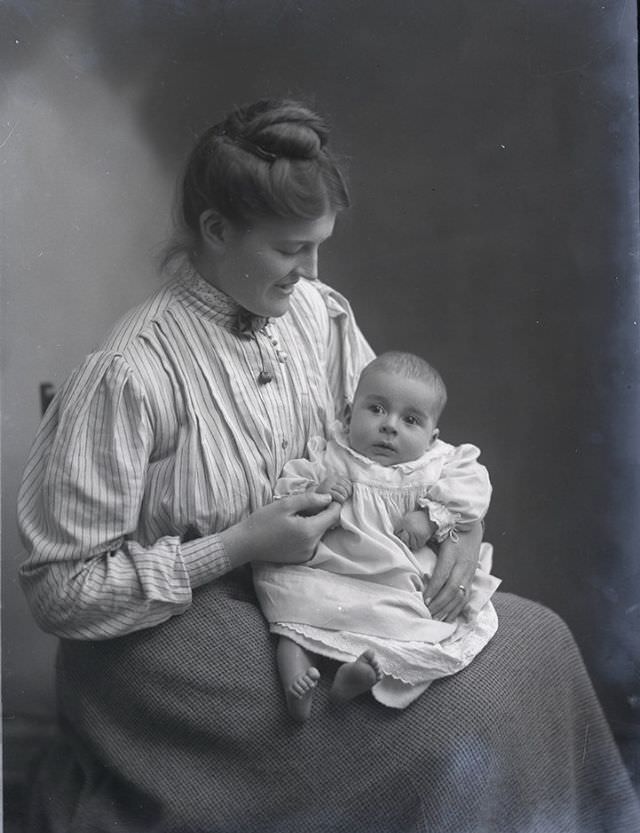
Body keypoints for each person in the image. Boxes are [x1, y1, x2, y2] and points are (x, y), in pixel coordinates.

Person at [17, 98, 640, 833]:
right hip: (171, 641)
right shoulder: (129, 372)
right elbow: (59, 591)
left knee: (539, 643)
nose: (311, 269)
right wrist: (239, 545)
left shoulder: (316, 311)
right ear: (216, 231)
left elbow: (394, 440)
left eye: (319, 246)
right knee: (454, 724)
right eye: (290, 249)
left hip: (334, 580)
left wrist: (456, 527)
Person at [254, 350, 500, 720]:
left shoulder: (437, 464)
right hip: (329, 572)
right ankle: (296, 681)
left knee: (419, 631)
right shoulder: (330, 455)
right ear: (350, 414)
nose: (390, 426)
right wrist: (319, 489)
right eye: (377, 409)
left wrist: (431, 518)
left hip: (395, 581)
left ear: (432, 438)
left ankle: (358, 679)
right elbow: (288, 492)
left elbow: (473, 489)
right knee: (292, 614)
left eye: (411, 419)